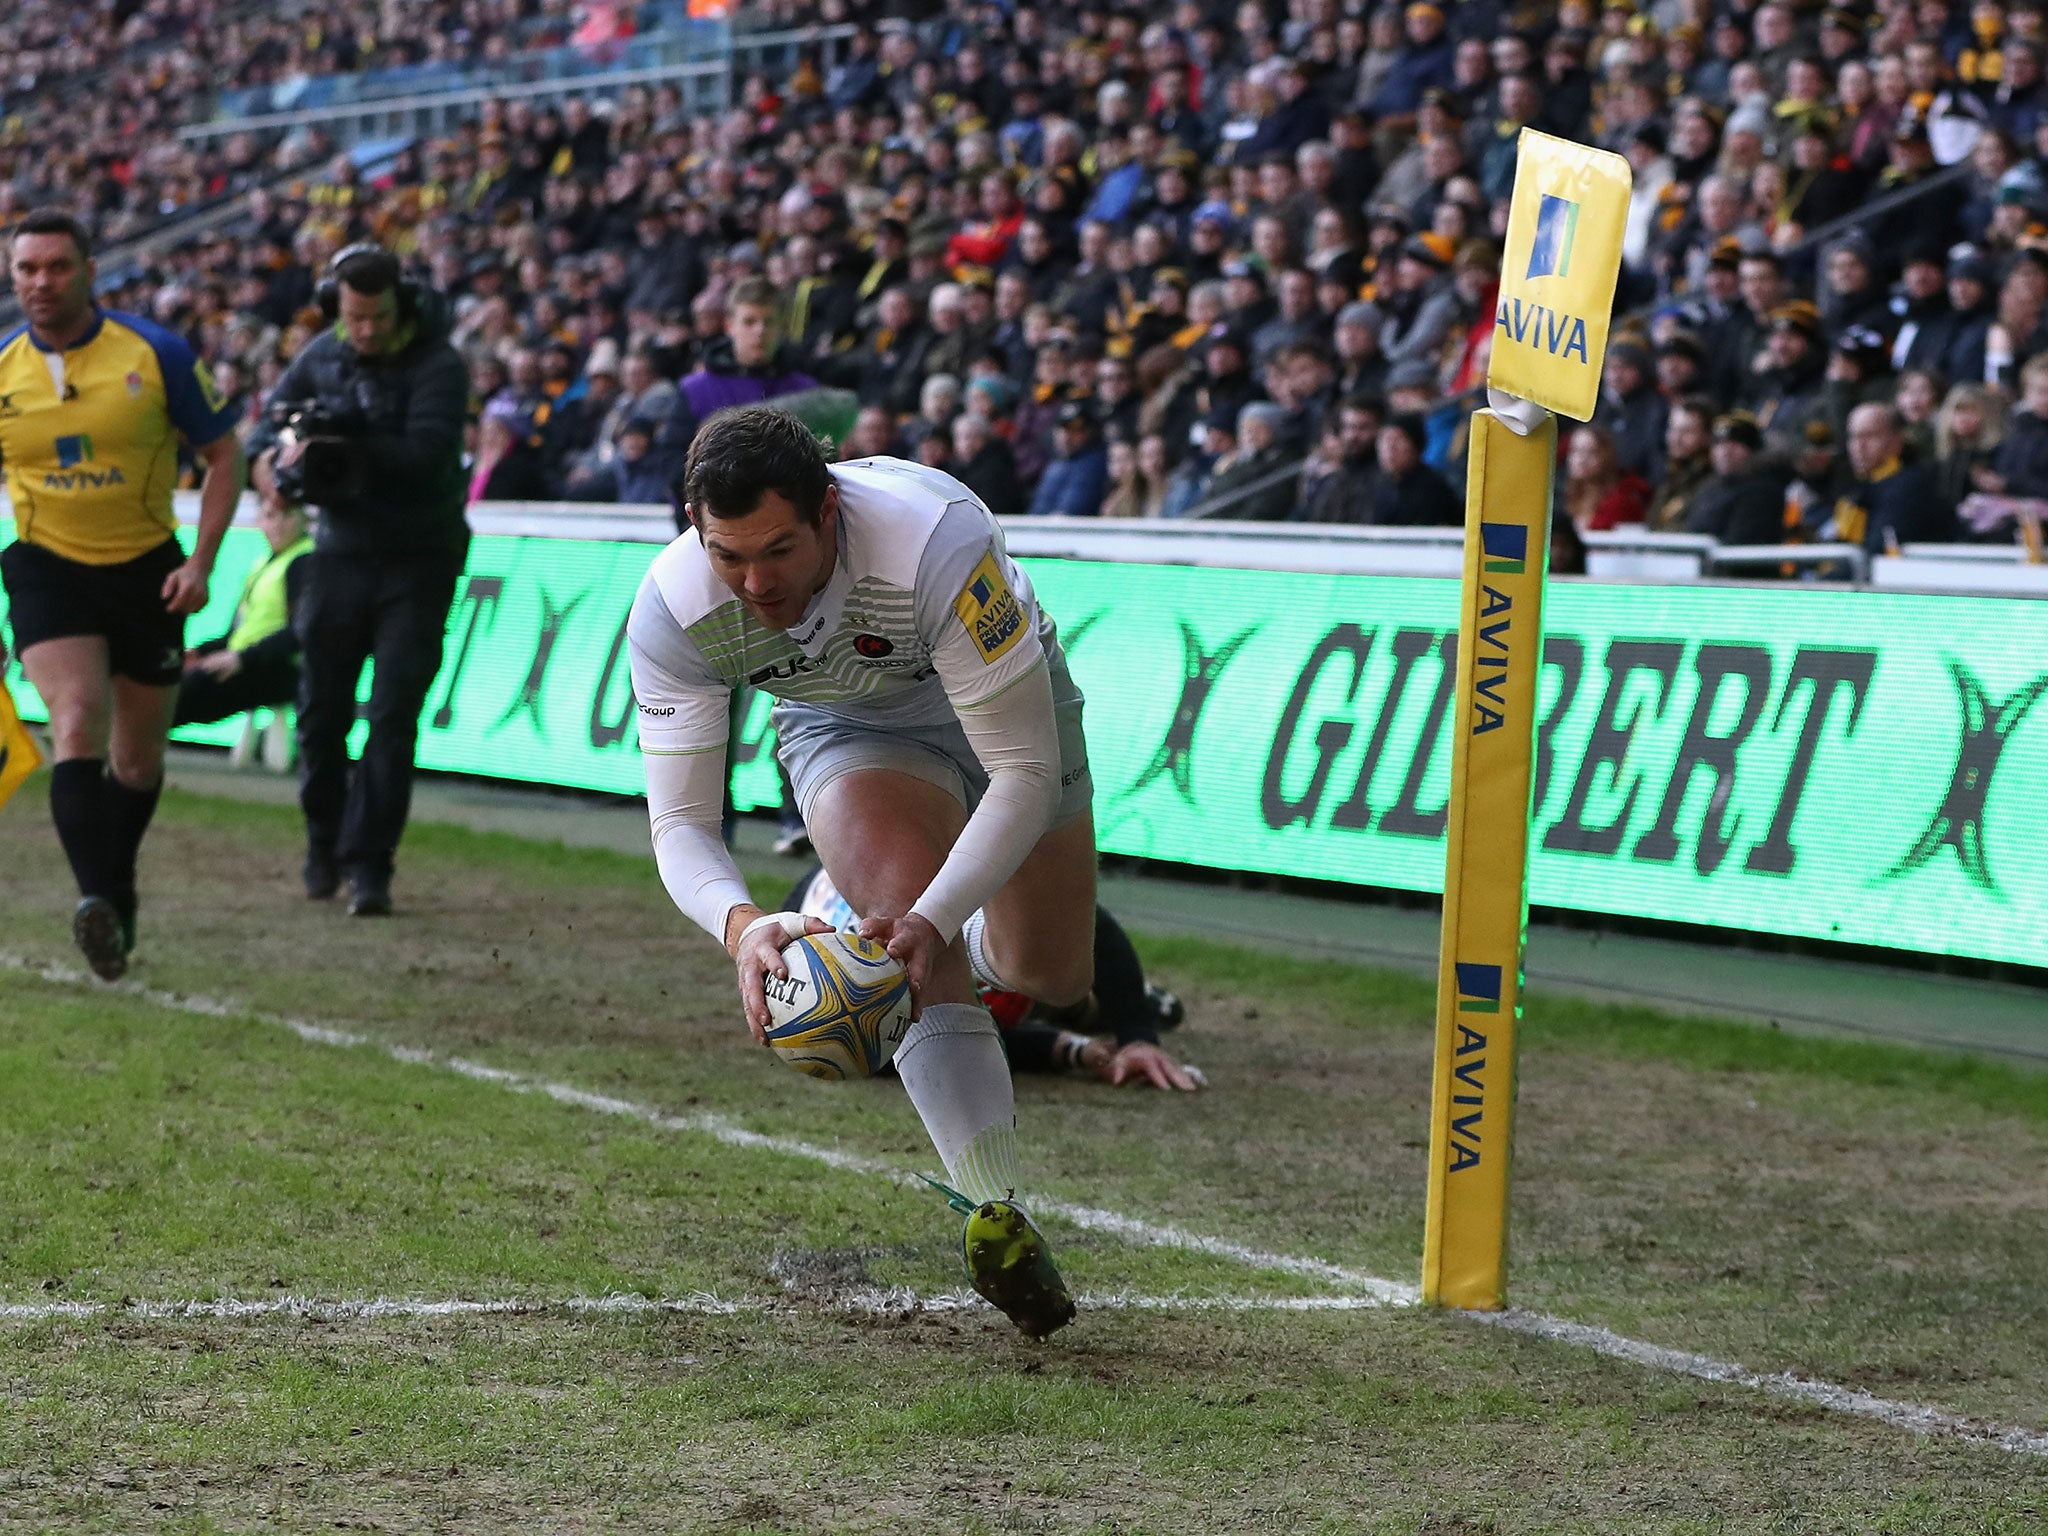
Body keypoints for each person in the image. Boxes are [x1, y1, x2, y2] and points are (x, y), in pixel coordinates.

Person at [627, 405, 1098, 1337]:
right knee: (900, 924)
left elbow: (1023, 772)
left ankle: (964, 937)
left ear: (829, 512)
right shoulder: (677, 610)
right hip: (844, 728)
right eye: (728, 554)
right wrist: (742, 924)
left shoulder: (933, 547)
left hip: (1007, 715)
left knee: (1052, 974)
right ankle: (995, 1210)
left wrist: (943, 911)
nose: (756, 582)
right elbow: (680, 821)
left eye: (778, 550)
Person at [0, 209, 244, 980]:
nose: (41, 282)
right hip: (48, 566)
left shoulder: (156, 354)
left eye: (57, 267)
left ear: (90, 270)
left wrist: (201, 561)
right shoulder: (3, 371)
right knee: (75, 721)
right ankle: (95, 899)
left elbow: (223, 454)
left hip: (148, 571)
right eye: (27, 269)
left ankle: (116, 887)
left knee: (136, 761)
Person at [249, 243, 469, 917]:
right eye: (352, 317)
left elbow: (429, 455)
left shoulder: (440, 364)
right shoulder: (321, 355)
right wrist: (276, 470)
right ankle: (324, 842)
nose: (365, 329)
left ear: (398, 304)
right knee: (320, 713)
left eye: (375, 316)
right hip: (339, 552)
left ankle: (370, 865)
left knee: (393, 714)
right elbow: (265, 430)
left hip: (418, 558)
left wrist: (342, 450)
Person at [785, 862, 1199, 1090]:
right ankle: (1088, 1007)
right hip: (851, 936)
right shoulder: (894, 995)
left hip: (878, 915)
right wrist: (1067, 1048)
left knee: (1048, 963)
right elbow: (926, 1047)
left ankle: (1099, 1003)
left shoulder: (948, 922)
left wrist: (1135, 1032)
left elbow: (1082, 920)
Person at [173, 462, 313, 727]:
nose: (278, 525)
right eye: (271, 516)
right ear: (259, 520)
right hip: (250, 659)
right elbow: (238, 632)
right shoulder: (263, 564)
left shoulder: (304, 562)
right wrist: (200, 651)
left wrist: (240, 659)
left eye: (288, 516)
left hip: (278, 668)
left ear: (304, 519)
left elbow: (300, 632)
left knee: (183, 693)